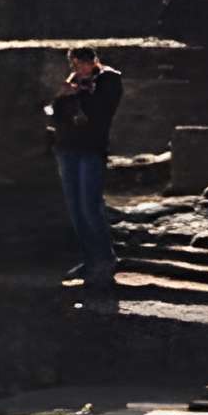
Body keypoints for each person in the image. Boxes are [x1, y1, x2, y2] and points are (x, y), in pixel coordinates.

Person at [44, 49, 125, 293]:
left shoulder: (108, 79)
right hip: (67, 148)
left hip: (91, 149)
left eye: (85, 63)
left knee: (91, 206)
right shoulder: (72, 82)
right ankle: (90, 259)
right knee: (75, 207)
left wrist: (77, 93)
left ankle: (105, 260)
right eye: (76, 64)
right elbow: (55, 115)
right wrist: (62, 96)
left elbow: (101, 110)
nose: (80, 68)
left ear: (94, 61)